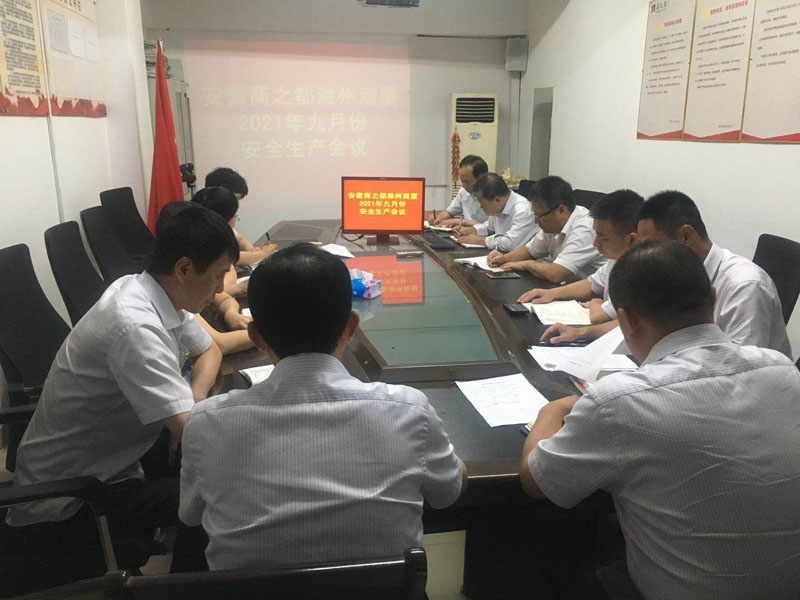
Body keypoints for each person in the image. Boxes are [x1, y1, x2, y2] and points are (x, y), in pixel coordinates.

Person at [520, 240, 800, 599]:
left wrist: (553, 409)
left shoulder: (617, 401)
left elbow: (536, 482)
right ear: (713, 298)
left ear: (626, 320)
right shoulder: (784, 370)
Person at [179, 243, 467, 570]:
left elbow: (190, 515)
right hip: (383, 592)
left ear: (257, 337)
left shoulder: (206, 422)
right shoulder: (409, 411)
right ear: (350, 326)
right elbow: (447, 494)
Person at [6, 201, 237, 572]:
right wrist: (186, 421)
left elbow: (209, 349)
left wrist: (191, 401)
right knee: (219, 491)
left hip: (115, 459)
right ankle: (185, 588)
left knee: (208, 468)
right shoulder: (135, 325)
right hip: (70, 498)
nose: (221, 287)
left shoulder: (153, 291)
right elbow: (195, 431)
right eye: (218, 275)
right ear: (183, 268)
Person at [637, 190, 791, 357]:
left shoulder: (744, 285)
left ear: (685, 236)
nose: (648, 255)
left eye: (652, 246)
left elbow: (742, 366)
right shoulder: (678, 276)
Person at [519, 189, 643, 325]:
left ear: (631, 240)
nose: (595, 243)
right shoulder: (618, 256)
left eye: (603, 237)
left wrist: (596, 302)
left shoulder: (639, 268)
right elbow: (592, 284)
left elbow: (598, 317)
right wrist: (552, 293)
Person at [487, 176, 606, 283]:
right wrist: (504, 258)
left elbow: (556, 274)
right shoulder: (553, 225)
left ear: (561, 210)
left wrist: (526, 264)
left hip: (596, 294)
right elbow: (529, 250)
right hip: (572, 285)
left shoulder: (585, 228)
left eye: (539, 215)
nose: (536, 221)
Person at [205, 167, 277, 266]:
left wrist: (250, 248)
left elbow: (238, 238)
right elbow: (227, 258)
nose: (237, 205)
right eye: (236, 198)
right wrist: (263, 254)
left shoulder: (222, 215)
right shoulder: (205, 221)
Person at [452, 172, 538, 251]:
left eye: (482, 203)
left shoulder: (523, 211)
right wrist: (471, 230)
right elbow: (489, 227)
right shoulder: (498, 207)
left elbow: (510, 243)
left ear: (497, 200)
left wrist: (481, 240)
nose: (481, 206)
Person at [432, 155, 489, 227]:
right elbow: (449, 212)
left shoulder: (493, 197)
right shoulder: (463, 192)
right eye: (462, 180)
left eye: (467, 182)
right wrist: (438, 218)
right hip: (466, 232)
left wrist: (463, 222)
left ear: (482, 179)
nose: (464, 186)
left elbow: (491, 228)